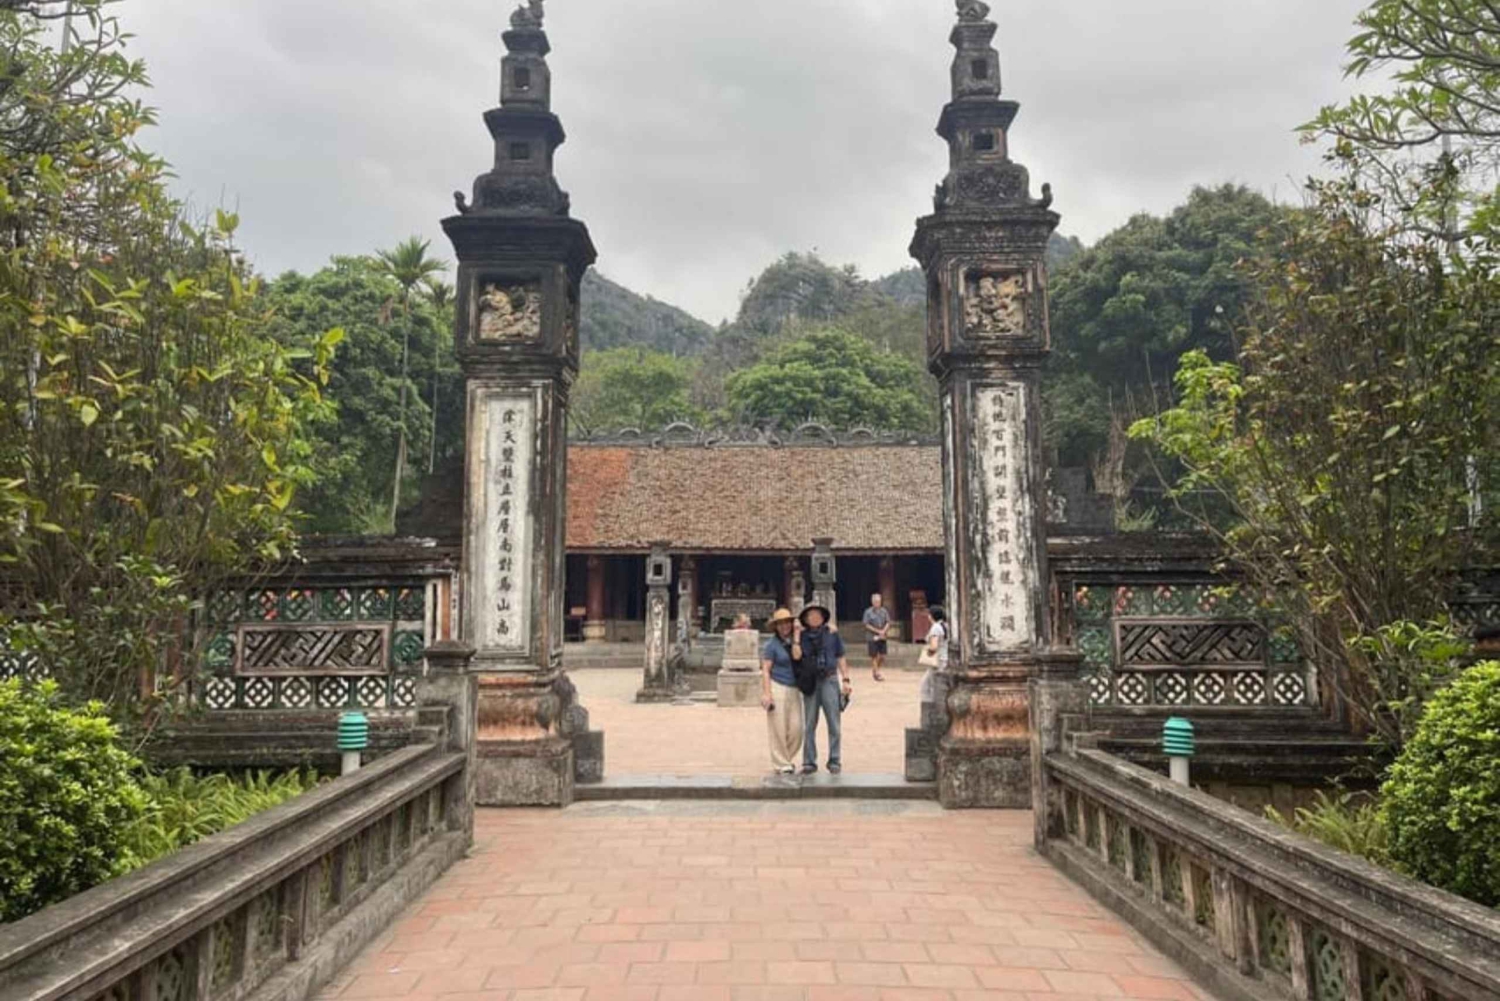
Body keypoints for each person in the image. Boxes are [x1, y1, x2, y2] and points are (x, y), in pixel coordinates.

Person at [798, 604, 851, 774]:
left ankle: (834, 760)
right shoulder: (802, 636)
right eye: (810, 615)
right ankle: (809, 761)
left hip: (829, 679)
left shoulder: (832, 634)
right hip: (811, 682)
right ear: (805, 619)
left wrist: (846, 679)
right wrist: (796, 633)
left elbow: (840, 656)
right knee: (809, 724)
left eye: (817, 615)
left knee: (834, 723)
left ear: (823, 618)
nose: (814, 618)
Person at [760, 608, 805, 775]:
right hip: (777, 685)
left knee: (797, 728)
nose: (784, 626)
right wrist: (767, 693)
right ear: (776, 627)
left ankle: (786, 758)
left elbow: (798, 657)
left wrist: (797, 636)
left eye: (787, 622)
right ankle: (782, 764)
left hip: (794, 687)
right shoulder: (771, 645)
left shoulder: (797, 640)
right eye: (780, 624)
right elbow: (766, 669)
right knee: (778, 727)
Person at [920, 606, 948, 704]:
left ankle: (931, 708)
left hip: (937, 661)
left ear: (932, 616)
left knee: (927, 686)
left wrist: (927, 650)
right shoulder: (945, 626)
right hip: (945, 658)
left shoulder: (936, 627)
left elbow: (934, 646)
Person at [862, 593, 891, 682]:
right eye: (875, 601)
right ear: (872, 602)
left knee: (882, 655)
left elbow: (888, 622)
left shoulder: (884, 611)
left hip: (882, 636)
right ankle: (877, 673)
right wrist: (877, 631)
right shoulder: (868, 612)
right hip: (872, 636)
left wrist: (883, 631)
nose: (877, 603)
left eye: (878, 601)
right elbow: (866, 624)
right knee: (874, 656)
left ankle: (875, 670)